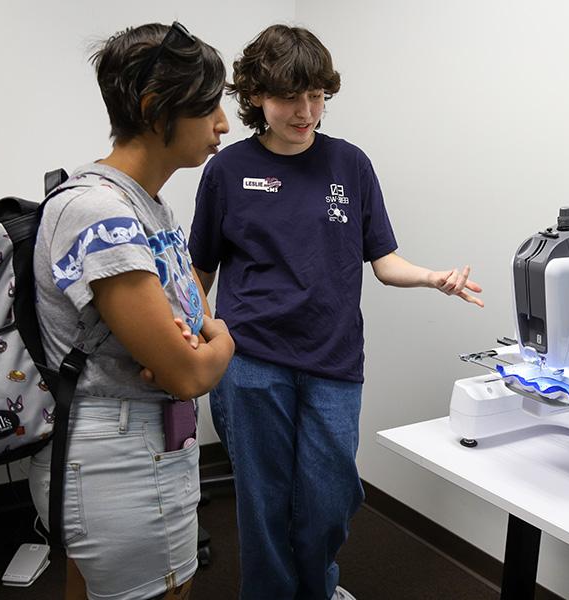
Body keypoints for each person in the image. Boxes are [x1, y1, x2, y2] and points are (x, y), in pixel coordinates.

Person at [189, 24, 483, 600]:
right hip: (251, 360)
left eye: (317, 97)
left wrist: (433, 279)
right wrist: (208, 333)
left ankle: (317, 586)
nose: (305, 112)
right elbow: (199, 271)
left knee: (329, 495)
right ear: (255, 97)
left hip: (333, 357)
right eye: (290, 97)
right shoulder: (225, 171)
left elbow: (385, 259)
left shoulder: (350, 164)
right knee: (264, 500)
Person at [28, 22, 235, 600]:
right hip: (118, 453)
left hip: (140, 443)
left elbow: (186, 324)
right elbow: (189, 369)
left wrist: (194, 343)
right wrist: (223, 344)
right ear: (153, 108)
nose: (223, 124)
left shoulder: (149, 206)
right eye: (208, 107)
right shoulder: (100, 211)